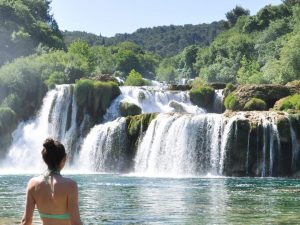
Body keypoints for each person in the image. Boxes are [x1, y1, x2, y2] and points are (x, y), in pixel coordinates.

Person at [20, 138, 82, 225]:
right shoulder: (70, 185)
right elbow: (76, 223)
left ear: (45, 159)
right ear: (65, 158)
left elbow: (26, 222)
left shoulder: (32, 183)